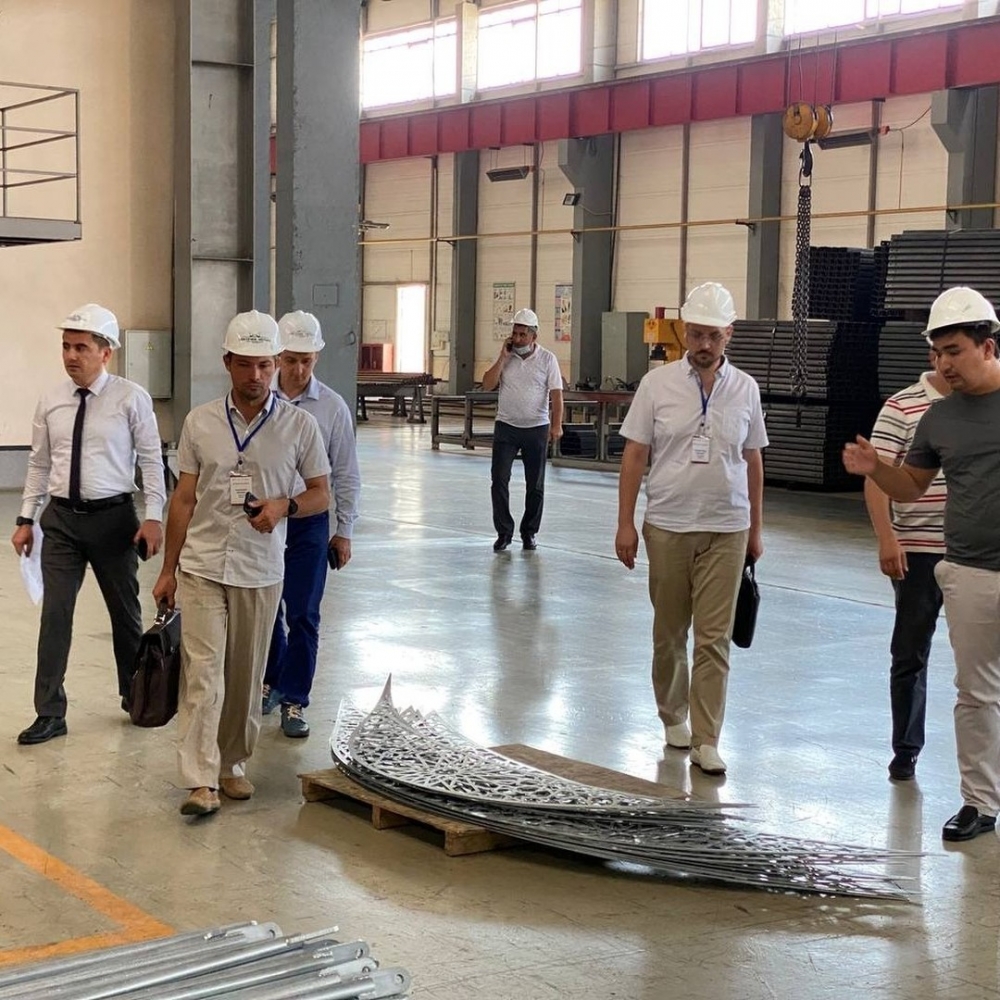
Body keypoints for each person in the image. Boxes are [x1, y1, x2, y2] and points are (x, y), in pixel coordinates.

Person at [153, 311, 330, 817]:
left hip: (260, 568)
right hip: (203, 565)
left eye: (265, 365)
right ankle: (200, 778)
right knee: (203, 673)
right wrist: (167, 570)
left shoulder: (300, 426)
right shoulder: (200, 422)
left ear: (275, 364)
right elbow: (184, 498)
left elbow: (321, 493)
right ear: (227, 362)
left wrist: (284, 507)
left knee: (246, 674)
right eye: (246, 365)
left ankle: (231, 764)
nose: (256, 376)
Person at [843, 286, 1000, 842]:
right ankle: (979, 803)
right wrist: (875, 468)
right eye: (938, 352)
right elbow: (910, 486)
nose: (945, 363)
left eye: (955, 351)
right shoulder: (938, 417)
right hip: (971, 570)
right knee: (975, 691)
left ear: (988, 346)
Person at [615, 282, 766, 776]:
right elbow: (635, 454)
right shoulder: (656, 386)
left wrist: (755, 529)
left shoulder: (745, 389)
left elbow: (753, 460)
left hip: (727, 528)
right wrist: (625, 524)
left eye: (714, 336)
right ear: (684, 331)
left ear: (729, 334)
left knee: (714, 639)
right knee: (669, 633)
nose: (704, 345)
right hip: (669, 526)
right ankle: (672, 714)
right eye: (696, 334)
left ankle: (707, 739)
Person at [12, 304, 165, 746]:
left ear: (106, 352)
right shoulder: (52, 399)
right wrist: (26, 518)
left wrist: (153, 517)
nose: (70, 355)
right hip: (60, 521)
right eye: (66, 346)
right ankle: (49, 711)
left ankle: (134, 695)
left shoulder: (130, 398)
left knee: (125, 614)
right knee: (55, 615)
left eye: (81, 347)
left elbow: (152, 462)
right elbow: (39, 463)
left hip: (114, 521)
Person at [262, 311, 361, 738]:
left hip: (308, 522)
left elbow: (346, 472)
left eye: (306, 360)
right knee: (266, 608)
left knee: (303, 612)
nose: (298, 370)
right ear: (276, 357)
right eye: (290, 360)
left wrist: (344, 530)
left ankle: (295, 698)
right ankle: (271, 680)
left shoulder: (332, 408)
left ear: (317, 357)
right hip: (265, 522)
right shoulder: (260, 399)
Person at [864, 354, 949, 782]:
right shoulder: (902, 406)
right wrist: (887, 537)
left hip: (977, 550)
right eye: (943, 350)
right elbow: (877, 476)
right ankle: (906, 749)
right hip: (917, 549)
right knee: (910, 651)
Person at [480, 307, 563, 552]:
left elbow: (557, 395)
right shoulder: (506, 357)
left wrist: (556, 424)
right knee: (499, 479)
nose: (517, 339)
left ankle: (529, 532)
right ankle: (504, 532)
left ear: (534, 336)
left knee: (535, 484)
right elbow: (487, 385)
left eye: (522, 335)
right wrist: (502, 358)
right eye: (515, 334)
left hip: (536, 428)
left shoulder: (547, 359)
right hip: (506, 427)